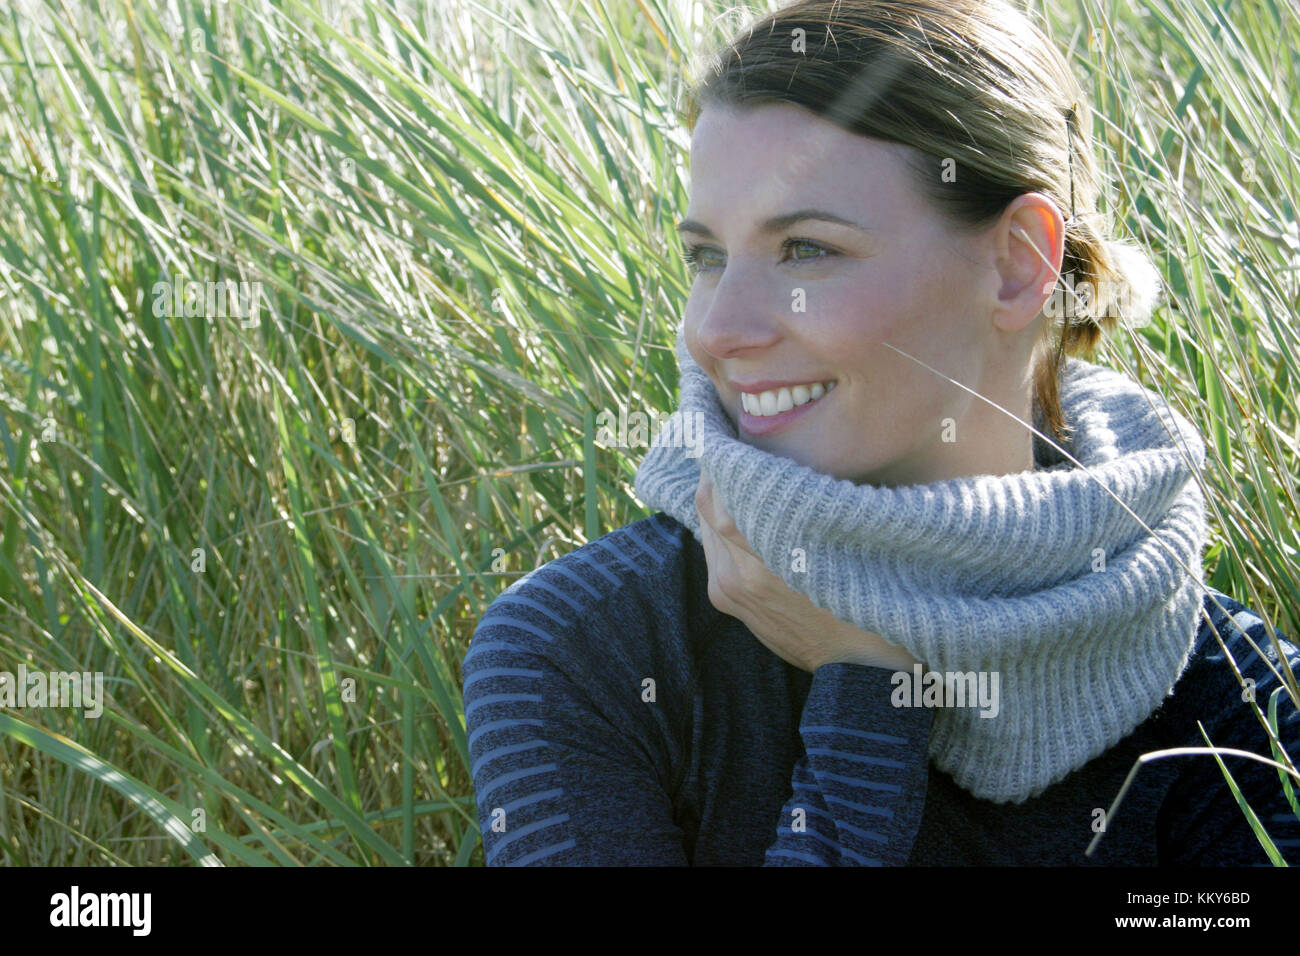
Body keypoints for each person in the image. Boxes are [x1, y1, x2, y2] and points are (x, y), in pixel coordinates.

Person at [461, 0, 1300, 865]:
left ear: (1019, 264)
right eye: (707, 256)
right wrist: (871, 700)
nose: (718, 330)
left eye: (806, 251)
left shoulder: (1231, 689)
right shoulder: (581, 651)